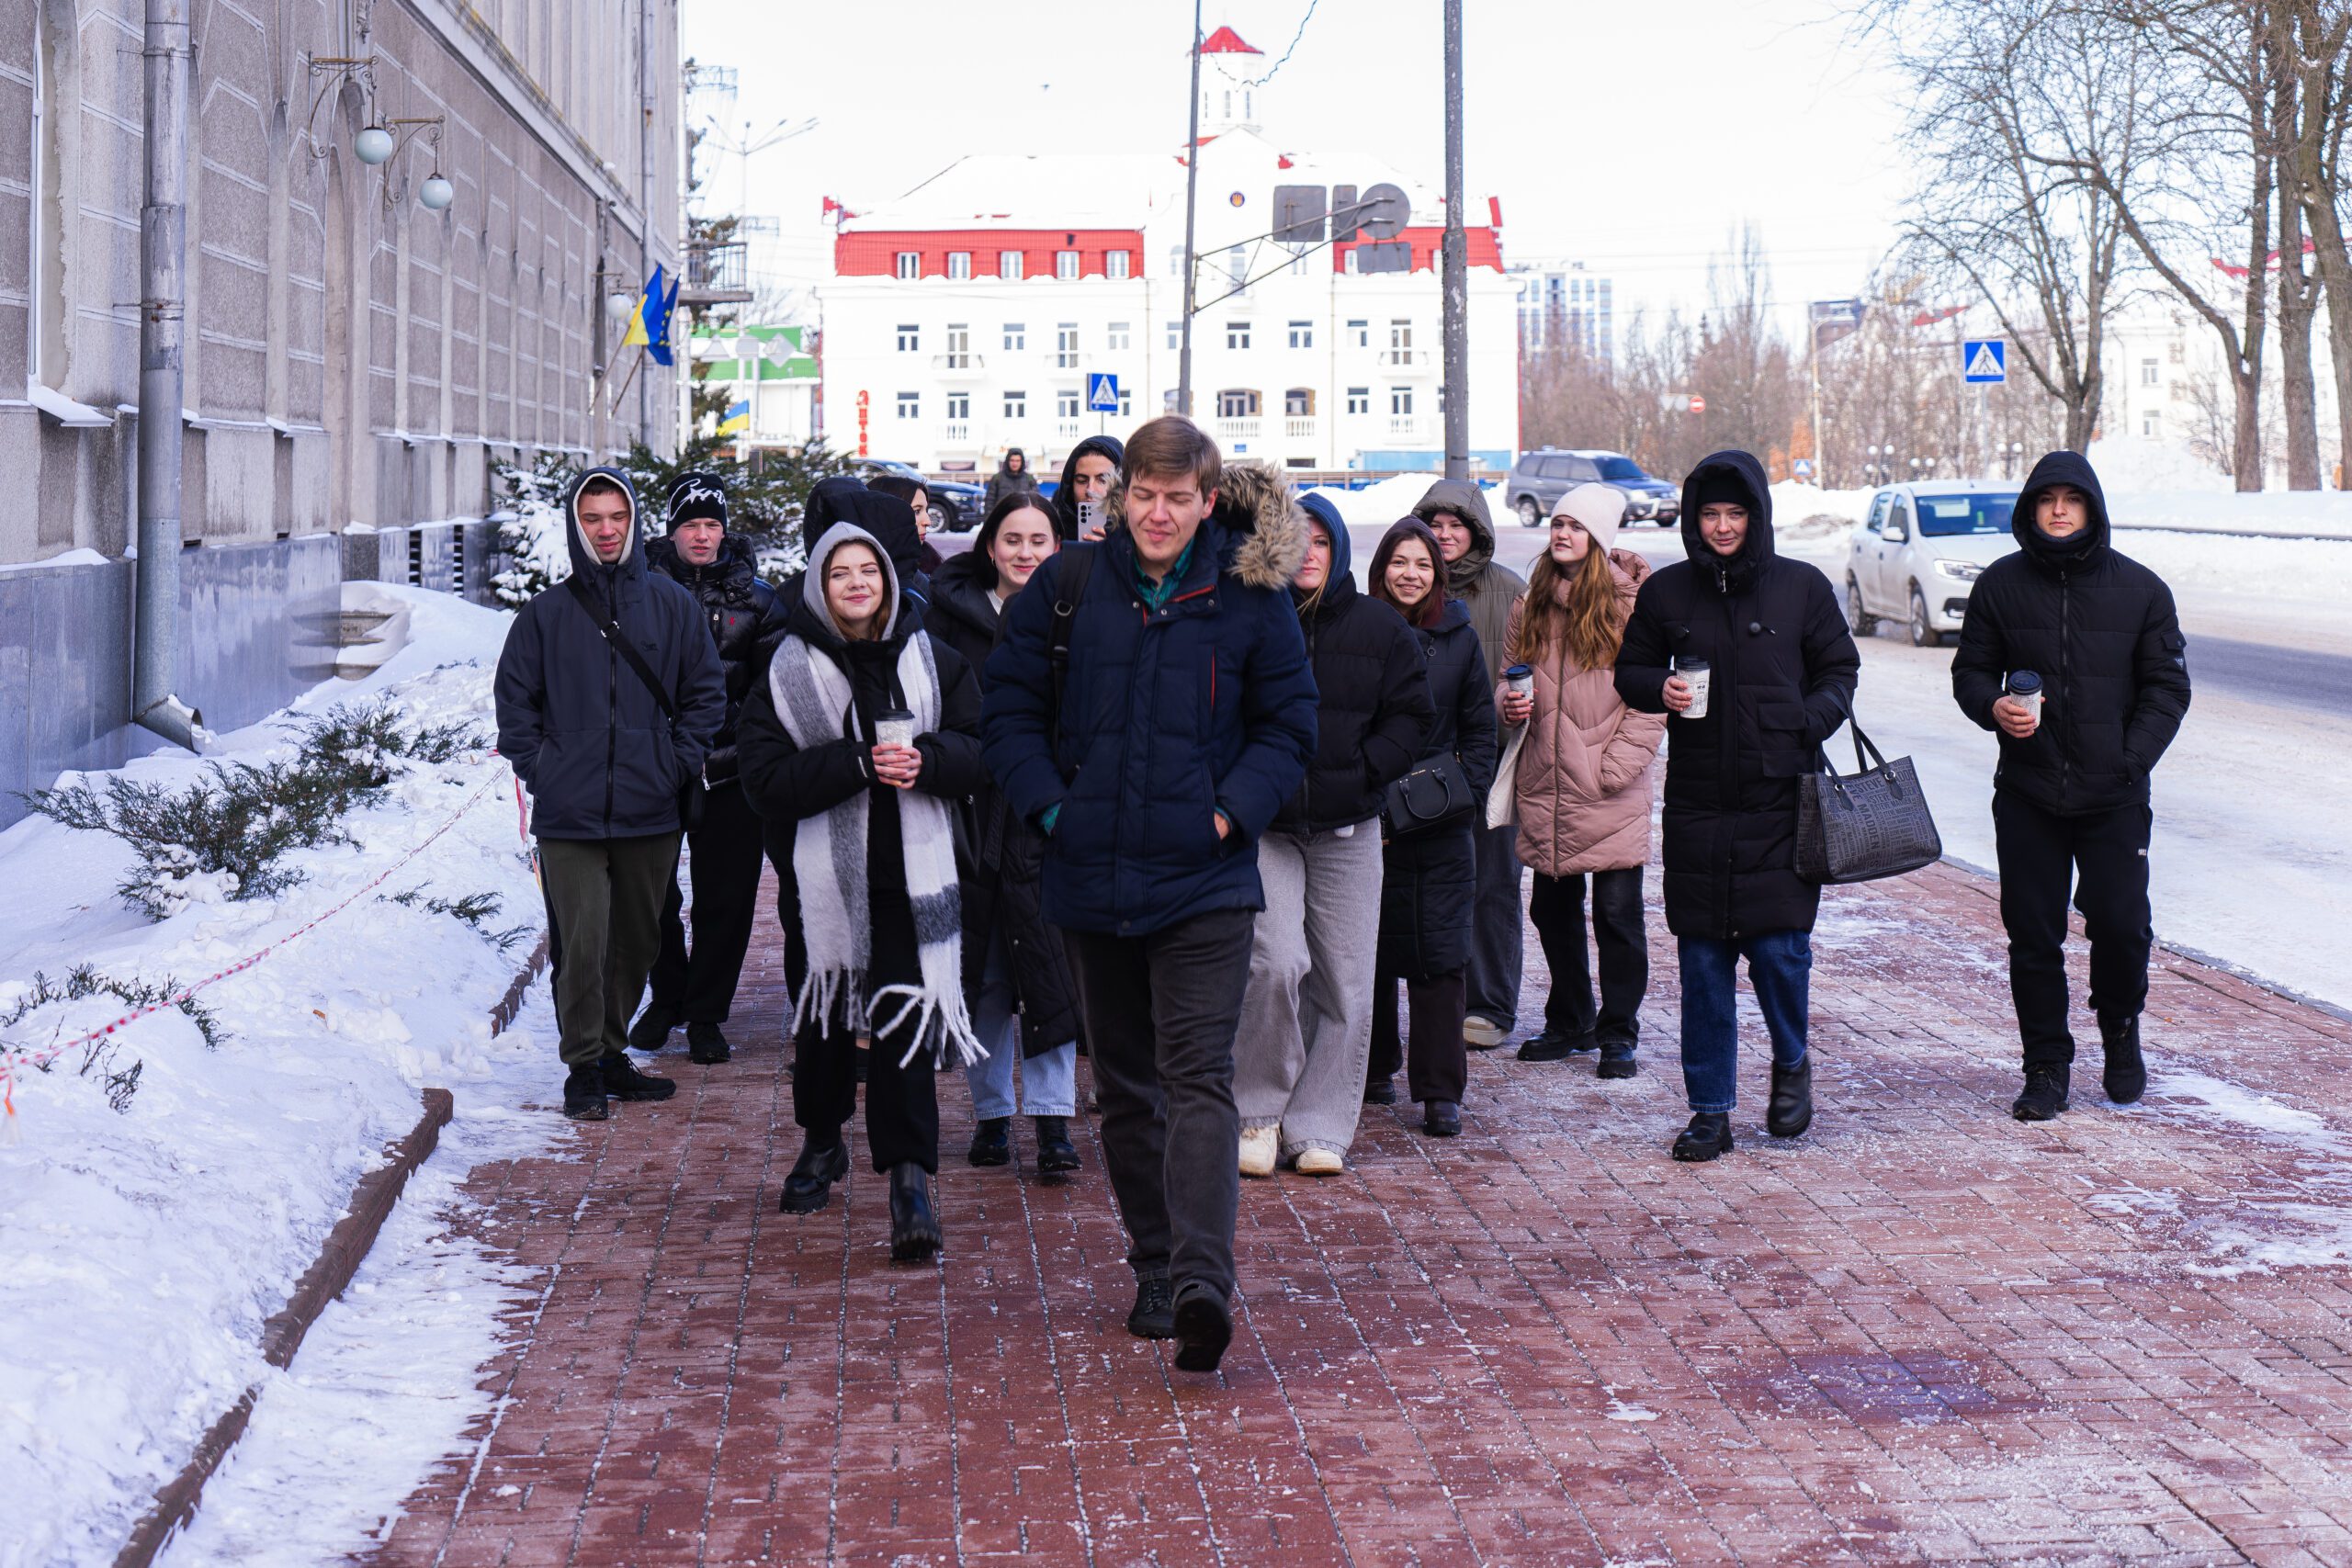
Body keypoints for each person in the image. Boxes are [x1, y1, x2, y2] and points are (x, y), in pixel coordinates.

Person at [983, 417, 1316, 1371]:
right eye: (1142, 494)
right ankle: (1158, 1268)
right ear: (1116, 496)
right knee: (1127, 1090)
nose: (1157, 513)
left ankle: (1205, 1282)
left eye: (1176, 498)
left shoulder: (1250, 596)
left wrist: (1227, 816)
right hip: (1091, 877)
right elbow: (1007, 710)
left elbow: (1290, 726)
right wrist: (1055, 811)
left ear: (1208, 502)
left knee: (1198, 1075)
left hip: (1205, 880)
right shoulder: (1068, 586)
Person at [734, 524, 987, 1261]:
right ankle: (822, 1139)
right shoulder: (785, 669)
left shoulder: (933, 659)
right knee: (825, 1024)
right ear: (820, 585)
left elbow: (982, 750)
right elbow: (762, 780)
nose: (855, 583)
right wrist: (854, 764)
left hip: (913, 877)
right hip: (823, 882)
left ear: (887, 581)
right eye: (839, 571)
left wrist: (928, 762)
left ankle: (909, 1181)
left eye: (866, 570)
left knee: (903, 1020)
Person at [1615, 450, 1860, 1163]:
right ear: (1693, 520)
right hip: (1698, 803)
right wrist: (1658, 687)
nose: (1722, 526)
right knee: (1702, 961)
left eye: (1735, 513)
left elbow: (1840, 670)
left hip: (1781, 800)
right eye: (1710, 514)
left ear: (1757, 516)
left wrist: (1807, 721)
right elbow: (1630, 669)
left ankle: (1791, 1060)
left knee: (1780, 952)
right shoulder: (1668, 592)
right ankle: (1710, 1110)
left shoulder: (1801, 587)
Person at [1951, 451, 2191, 1121]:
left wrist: (2128, 760)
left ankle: (2120, 1028)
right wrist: (1993, 706)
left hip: (2114, 793)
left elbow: (2168, 689)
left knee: (2121, 924)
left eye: (2072, 499)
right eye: (2047, 499)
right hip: (2028, 791)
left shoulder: (2141, 589)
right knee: (2032, 935)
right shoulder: (2000, 585)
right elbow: (1971, 672)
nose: (2059, 510)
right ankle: (2046, 1066)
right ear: (2031, 509)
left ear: (2092, 508)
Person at [493, 468, 727, 1121]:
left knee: (636, 940)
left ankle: (611, 1052)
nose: (605, 530)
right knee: (584, 940)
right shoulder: (546, 614)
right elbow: (515, 704)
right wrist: (545, 769)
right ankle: (583, 1066)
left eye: (616, 517)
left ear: (634, 521)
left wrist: (674, 764)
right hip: (569, 815)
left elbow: (706, 693)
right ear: (576, 525)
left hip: (650, 808)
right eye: (592, 518)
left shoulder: (671, 605)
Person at [1234, 493, 1433, 1176]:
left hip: (1349, 829)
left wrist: (1366, 771)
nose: (1309, 553)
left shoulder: (1380, 626)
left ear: (1339, 548)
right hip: (1267, 827)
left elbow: (1413, 715)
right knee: (1274, 964)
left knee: (1345, 980)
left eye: (1321, 541)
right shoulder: (1249, 617)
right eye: (1298, 539)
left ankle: (1319, 1125)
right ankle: (1257, 1114)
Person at [926, 493, 1086, 1175]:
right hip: (969, 812)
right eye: (1012, 539)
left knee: (1049, 965)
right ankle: (991, 1114)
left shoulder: (1077, 609)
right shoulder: (946, 614)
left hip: (1048, 809)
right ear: (990, 545)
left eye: (1038, 540)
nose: (1025, 552)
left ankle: (1053, 1119)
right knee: (985, 969)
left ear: (1058, 546)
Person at [1497, 484, 1666, 1078]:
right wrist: (1508, 704)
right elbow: (1508, 677)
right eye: (1557, 523)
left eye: (1576, 525)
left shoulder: (1631, 606)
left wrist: (1613, 768)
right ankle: (1571, 1020)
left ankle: (1619, 1032)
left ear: (1598, 537)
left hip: (1609, 783)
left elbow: (1650, 699)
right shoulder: (1530, 604)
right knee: (1551, 909)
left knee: (1617, 915)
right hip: (1547, 781)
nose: (1562, 533)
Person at [630, 472, 791, 1065]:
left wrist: (743, 745)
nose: (702, 535)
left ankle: (706, 1014)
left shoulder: (759, 601)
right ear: (671, 529)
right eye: (691, 524)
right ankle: (667, 996)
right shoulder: (638, 593)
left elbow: (774, 689)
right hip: (658, 769)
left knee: (727, 898)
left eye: (712, 524)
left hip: (730, 770)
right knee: (652, 893)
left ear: (724, 529)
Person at [1363, 517, 1498, 1138]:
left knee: (1442, 954)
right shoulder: (1359, 629)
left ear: (1438, 574)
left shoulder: (1460, 638)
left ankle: (1441, 1089)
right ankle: (1373, 1066)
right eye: (1399, 562)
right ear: (1380, 569)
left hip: (1442, 818)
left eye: (1422, 564)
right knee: (1367, 947)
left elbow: (1480, 729)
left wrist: (1466, 795)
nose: (1410, 574)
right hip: (1370, 813)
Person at [1411, 479, 1527, 1052]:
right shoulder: (1406, 585)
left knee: (1494, 884)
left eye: (1456, 525)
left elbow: (1535, 663)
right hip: (1420, 763)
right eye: (1434, 524)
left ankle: (1489, 1004)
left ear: (1476, 532)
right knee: (1424, 883)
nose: (1444, 535)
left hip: (1494, 758)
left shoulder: (1511, 591)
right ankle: (1433, 999)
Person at [866, 471, 944, 577]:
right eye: (916, 511)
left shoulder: (929, 560)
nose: (928, 522)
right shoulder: (865, 569)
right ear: (886, 515)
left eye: (926, 510)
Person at [1052, 434, 1125, 542]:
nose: (1090, 490)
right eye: (1082, 480)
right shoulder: (1053, 535)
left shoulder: (1138, 537)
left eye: (1102, 480)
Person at [982, 446, 1039, 515]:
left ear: (1022, 462)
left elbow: (1036, 501)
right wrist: (990, 519)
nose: (1015, 463)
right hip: (1001, 517)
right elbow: (989, 501)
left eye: (1017, 461)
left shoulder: (1030, 479)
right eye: (1012, 460)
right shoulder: (997, 478)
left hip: (1023, 518)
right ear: (1007, 461)